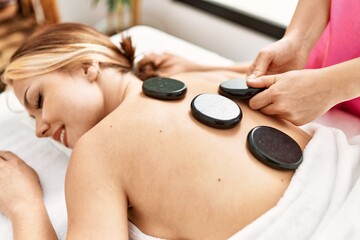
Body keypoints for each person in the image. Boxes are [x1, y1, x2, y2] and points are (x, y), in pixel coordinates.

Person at [0, 23, 310, 240]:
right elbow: (271, 74)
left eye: (38, 100)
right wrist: (198, 68)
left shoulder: (95, 153)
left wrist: (23, 205)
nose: (39, 130)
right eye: (31, 118)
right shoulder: (207, 81)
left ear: (86, 65)